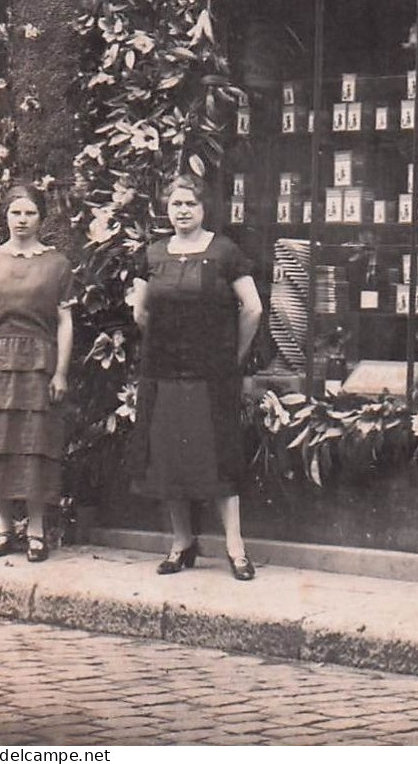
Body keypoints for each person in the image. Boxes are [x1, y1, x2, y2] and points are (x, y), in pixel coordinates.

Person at [127, 174, 264, 581]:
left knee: (219, 457)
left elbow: (252, 308)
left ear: (204, 209)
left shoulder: (225, 252)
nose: (182, 211)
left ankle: (235, 549)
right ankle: (181, 542)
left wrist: (231, 357)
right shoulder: (152, 254)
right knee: (169, 456)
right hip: (164, 371)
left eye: (190, 204)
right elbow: (140, 311)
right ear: (166, 210)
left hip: (212, 375)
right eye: (175, 204)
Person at [0, 184, 75, 563]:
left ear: (41, 217)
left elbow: (64, 323)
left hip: (38, 362)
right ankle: (5, 528)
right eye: (16, 212)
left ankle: (38, 530)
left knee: (35, 443)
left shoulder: (57, 263)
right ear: (6, 216)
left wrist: (60, 372)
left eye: (30, 213)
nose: (23, 220)